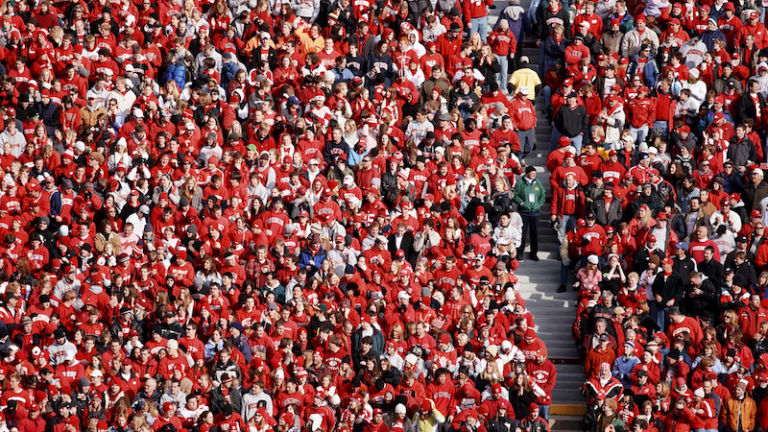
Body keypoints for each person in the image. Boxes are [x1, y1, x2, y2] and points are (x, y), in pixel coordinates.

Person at [513, 166, 546, 261]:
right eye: (532, 173)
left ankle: (534, 253)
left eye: (535, 173)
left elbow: (542, 195)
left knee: (534, 234)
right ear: (527, 173)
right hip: (524, 212)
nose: (534, 175)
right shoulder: (520, 182)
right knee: (522, 234)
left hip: (534, 213)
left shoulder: (537, 182)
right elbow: (515, 195)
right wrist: (522, 203)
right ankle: (519, 253)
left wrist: (538, 204)